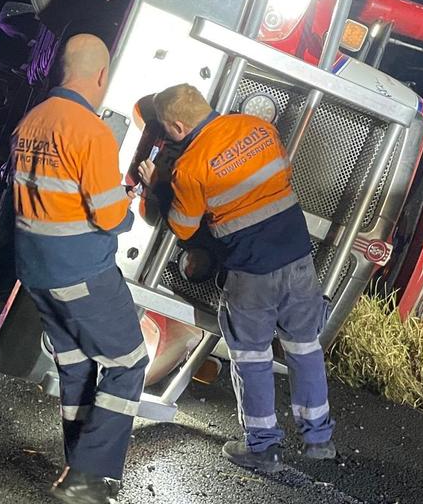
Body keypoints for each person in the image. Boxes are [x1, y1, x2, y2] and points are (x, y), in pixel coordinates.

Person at [140, 83, 335, 471]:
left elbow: (182, 227)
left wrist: (157, 187)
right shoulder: (257, 128)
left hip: (252, 271)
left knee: (252, 358)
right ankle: (320, 441)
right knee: (305, 348)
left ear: (177, 128)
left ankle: (263, 447)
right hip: (298, 257)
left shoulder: (189, 166)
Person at [12, 34, 145, 504]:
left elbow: (56, 197)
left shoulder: (31, 121)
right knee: (128, 362)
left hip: (36, 271)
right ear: (102, 75)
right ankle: (85, 478)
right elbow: (109, 217)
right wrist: (130, 205)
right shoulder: (91, 131)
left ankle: (76, 468)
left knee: (78, 366)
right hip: (81, 272)